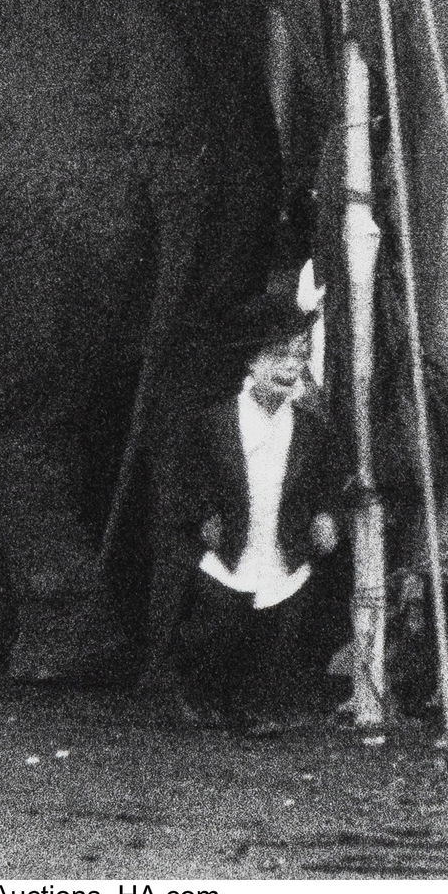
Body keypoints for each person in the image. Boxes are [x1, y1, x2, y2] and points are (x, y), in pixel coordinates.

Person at [144, 263, 348, 730]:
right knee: (217, 620)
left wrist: (326, 516)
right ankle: (198, 695)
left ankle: (256, 707)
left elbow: (326, 482)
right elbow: (185, 480)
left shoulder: (311, 430)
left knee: (277, 626)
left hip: (281, 541)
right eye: (277, 357)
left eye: (297, 357)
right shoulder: (216, 423)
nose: (290, 368)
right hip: (230, 541)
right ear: (251, 363)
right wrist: (203, 517)